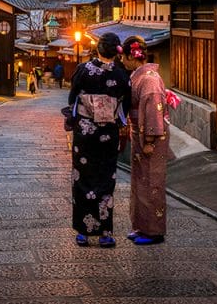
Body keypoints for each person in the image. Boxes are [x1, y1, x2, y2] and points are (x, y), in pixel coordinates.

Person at [63, 32, 130, 247]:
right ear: (116, 51)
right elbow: (124, 106)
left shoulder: (83, 70)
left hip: (85, 133)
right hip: (107, 134)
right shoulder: (121, 75)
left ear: (98, 49)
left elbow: (73, 98)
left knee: (82, 178)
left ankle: (83, 231)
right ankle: (105, 233)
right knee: (105, 180)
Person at [121, 35, 179, 245]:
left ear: (131, 55)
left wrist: (150, 141)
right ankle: (141, 226)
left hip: (150, 137)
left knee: (152, 182)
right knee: (140, 181)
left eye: (124, 57)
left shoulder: (149, 80)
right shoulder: (140, 76)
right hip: (140, 133)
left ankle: (154, 231)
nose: (122, 62)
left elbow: (154, 112)